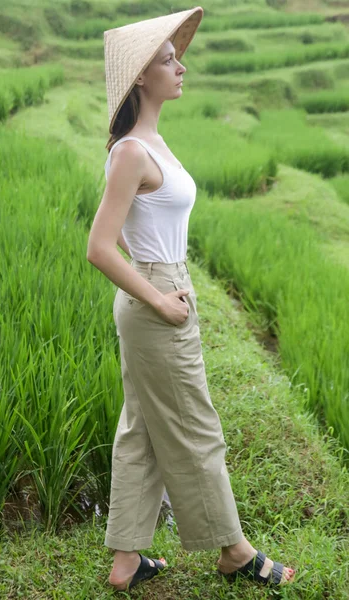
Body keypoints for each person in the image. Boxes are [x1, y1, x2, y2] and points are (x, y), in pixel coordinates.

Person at [86, 6, 296, 593]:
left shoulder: (153, 141)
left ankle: (125, 560)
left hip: (163, 288)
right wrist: (160, 299)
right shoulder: (132, 151)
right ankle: (235, 550)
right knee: (196, 426)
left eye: (176, 56)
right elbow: (100, 248)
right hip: (156, 299)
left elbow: (134, 229)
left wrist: (164, 286)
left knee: (142, 429)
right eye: (167, 59)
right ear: (140, 79)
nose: (180, 64)